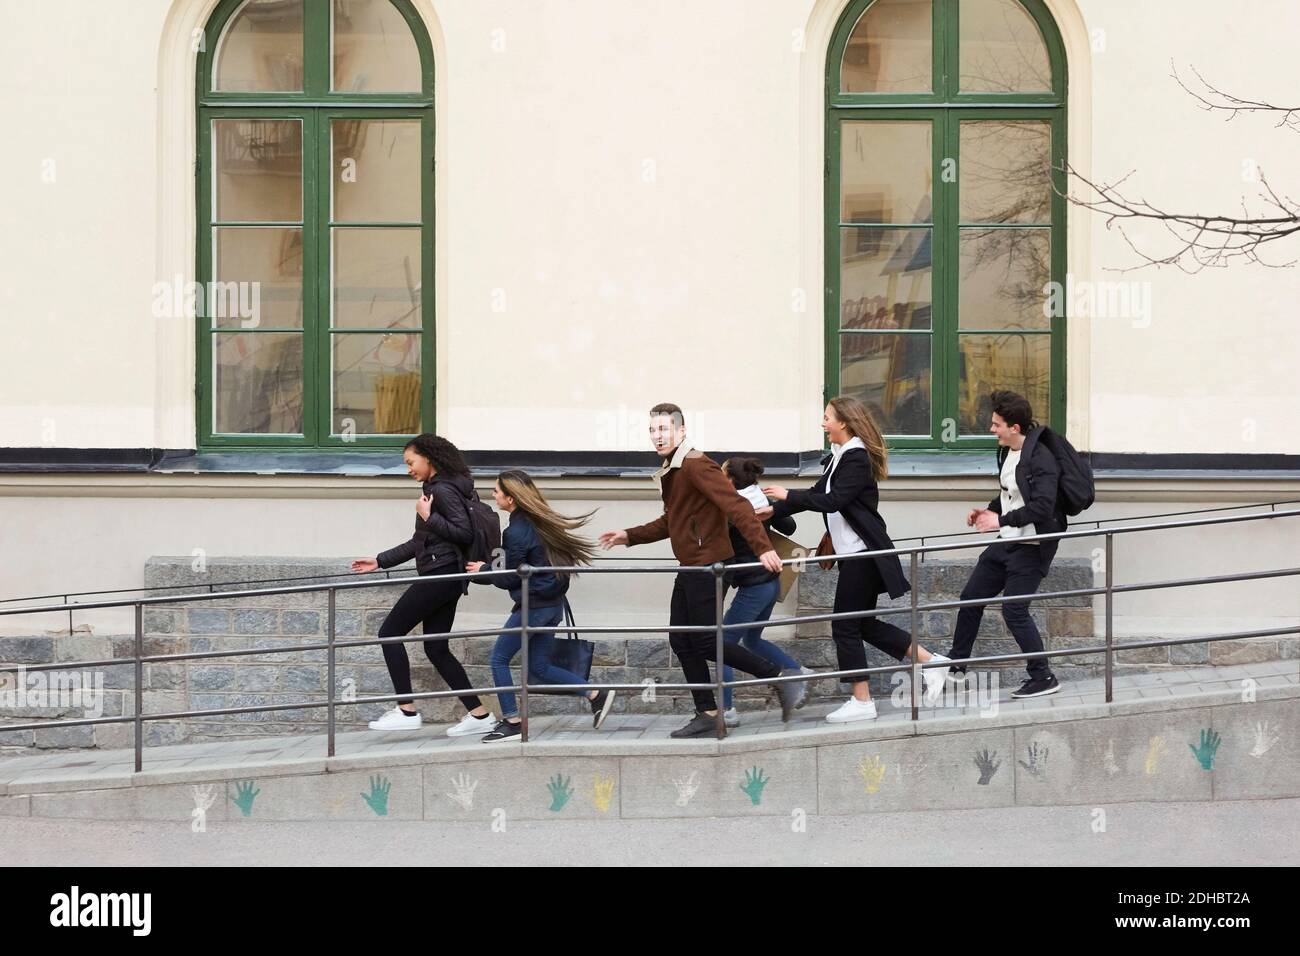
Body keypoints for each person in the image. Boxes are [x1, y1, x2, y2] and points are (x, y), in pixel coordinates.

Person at [599, 403, 806, 739]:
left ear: (681, 431)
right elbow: (673, 520)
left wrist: (764, 547)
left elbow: (737, 505)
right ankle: (708, 712)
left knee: (707, 642)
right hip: (691, 565)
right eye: (653, 430)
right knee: (681, 640)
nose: (657, 436)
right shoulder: (674, 469)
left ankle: (780, 677)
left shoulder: (696, 464)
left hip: (708, 566)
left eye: (664, 429)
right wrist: (629, 536)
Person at [762, 396, 950, 723]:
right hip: (854, 556)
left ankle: (862, 700)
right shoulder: (840, 457)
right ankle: (930, 662)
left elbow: (834, 500)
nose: (822, 424)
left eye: (826, 418)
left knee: (845, 625)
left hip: (865, 555)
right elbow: (817, 494)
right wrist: (772, 510)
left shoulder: (856, 457)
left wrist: (786, 494)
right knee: (862, 625)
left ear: (843, 423)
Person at [352, 434, 496, 736]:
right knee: (436, 647)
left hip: (440, 574)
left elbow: (464, 533)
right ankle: (480, 716)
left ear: (428, 457)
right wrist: (380, 560)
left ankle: (406, 710)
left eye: (410, 462)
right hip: (447, 576)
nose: (408, 469)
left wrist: (429, 516)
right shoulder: (443, 488)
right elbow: (420, 542)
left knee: (389, 633)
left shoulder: (443, 490)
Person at [466, 470, 616, 742]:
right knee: (539, 667)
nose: (493, 495)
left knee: (498, 659)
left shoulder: (516, 531)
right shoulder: (541, 522)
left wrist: (483, 569)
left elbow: (511, 575)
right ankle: (596, 694)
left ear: (511, 498)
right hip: (551, 607)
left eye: (497, 491)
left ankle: (512, 721)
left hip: (533, 607)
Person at [945, 390, 1065, 698]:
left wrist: (1001, 521)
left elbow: (1042, 506)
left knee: (1014, 610)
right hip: (1007, 542)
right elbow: (1010, 495)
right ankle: (956, 670)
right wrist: (990, 511)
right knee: (970, 598)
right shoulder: (1009, 452)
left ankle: (1043, 677)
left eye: (997, 424)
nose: (991, 428)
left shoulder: (1041, 458)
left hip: (1032, 547)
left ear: (1015, 427)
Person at [717, 456, 816, 727]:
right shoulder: (760, 499)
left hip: (755, 585)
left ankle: (726, 710)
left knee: (722, 645)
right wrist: (772, 506)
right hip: (771, 581)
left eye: (721, 474)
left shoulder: (733, 507)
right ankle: (798, 672)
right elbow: (789, 526)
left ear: (730, 480)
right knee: (751, 640)